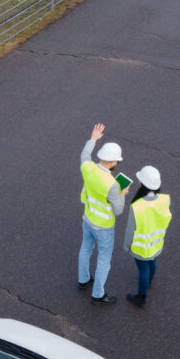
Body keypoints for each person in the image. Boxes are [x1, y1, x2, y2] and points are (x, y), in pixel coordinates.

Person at [78, 123, 128, 304]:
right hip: (104, 227)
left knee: (85, 248)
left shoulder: (88, 168)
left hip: (88, 218)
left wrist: (93, 138)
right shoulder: (113, 184)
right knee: (103, 260)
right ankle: (98, 294)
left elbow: (84, 155)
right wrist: (122, 194)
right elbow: (119, 210)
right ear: (114, 162)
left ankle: (83, 280)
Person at [122, 166, 172, 308]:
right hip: (156, 243)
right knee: (152, 262)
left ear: (142, 184)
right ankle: (150, 279)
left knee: (143, 269)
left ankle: (141, 297)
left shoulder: (137, 206)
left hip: (141, 247)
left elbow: (130, 230)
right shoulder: (165, 199)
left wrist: (126, 245)